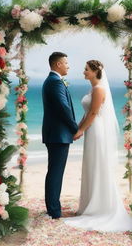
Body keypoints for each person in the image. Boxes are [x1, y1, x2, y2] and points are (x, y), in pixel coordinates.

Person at [62, 60, 132, 232]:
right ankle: (90, 203)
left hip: (96, 131)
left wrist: (81, 129)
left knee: (97, 165)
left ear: (95, 72)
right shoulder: (93, 89)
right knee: (92, 165)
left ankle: (98, 207)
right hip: (91, 129)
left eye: (86, 69)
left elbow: (94, 113)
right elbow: (88, 113)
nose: (83, 72)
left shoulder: (98, 89)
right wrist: (77, 128)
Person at [42, 52, 79, 219]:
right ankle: (54, 211)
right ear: (58, 65)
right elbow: (63, 108)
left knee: (54, 171)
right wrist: (74, 128)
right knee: (56, 172)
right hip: (58, 134)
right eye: (66, 62)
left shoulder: (52, 81)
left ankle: (53, 208)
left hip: (56, 134)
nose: (68, 65)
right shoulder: (55, 82)